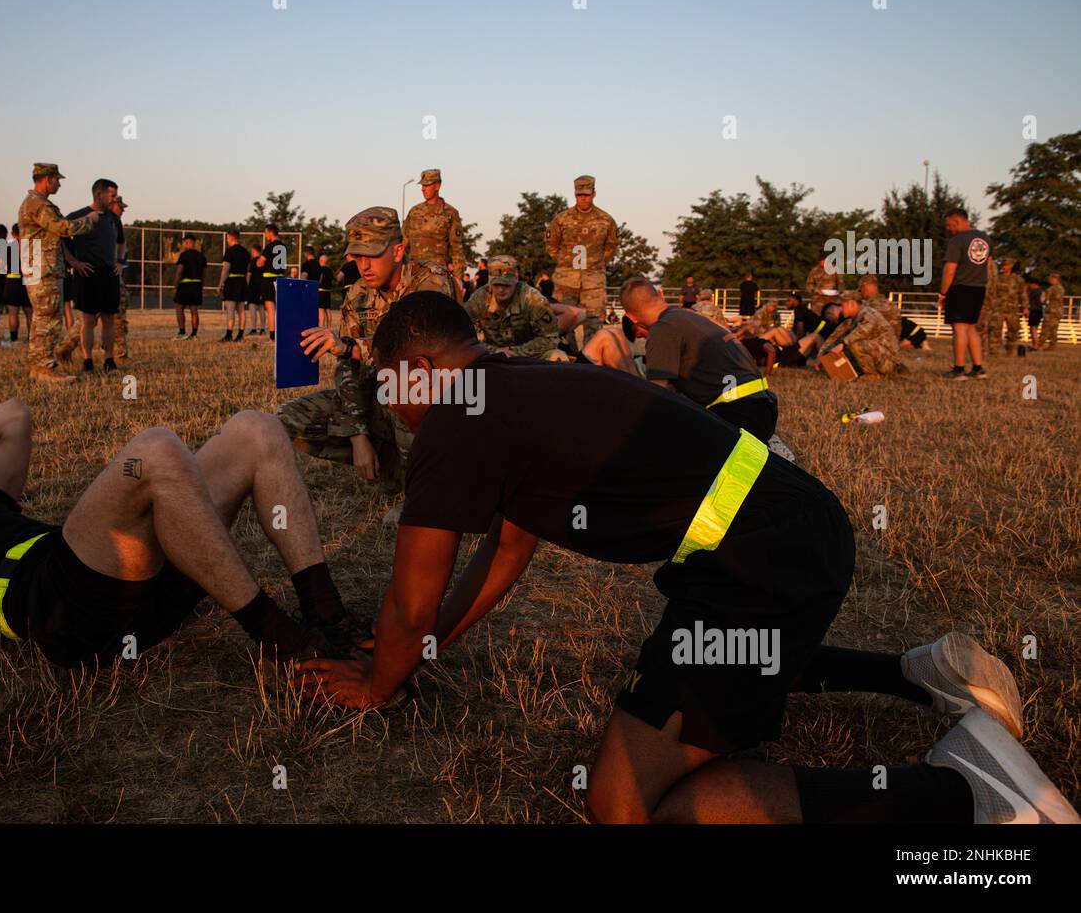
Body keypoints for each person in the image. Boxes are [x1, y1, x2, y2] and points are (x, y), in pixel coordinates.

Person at [296, 291, 1080, 826]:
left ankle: (964, 795)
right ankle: (918, 673)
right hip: (781, 532)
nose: (391, 408)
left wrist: (381, 681)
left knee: (627, 804)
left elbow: (408, 603)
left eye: (388, 384)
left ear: (423, 369)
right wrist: (428, 650)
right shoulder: (513, 381)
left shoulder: (456, 417)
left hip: (760, 556)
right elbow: (508, 548)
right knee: (722, 656)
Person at [0, 399, 368, 669]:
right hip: (58, 605)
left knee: (256, 427)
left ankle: (325, 612)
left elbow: (14, 415)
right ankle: (283, 640)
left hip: (134, 580)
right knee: (153, 451)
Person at [278, 207, 457, 509]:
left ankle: (423, 490)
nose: (363, 265)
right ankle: (392, 471)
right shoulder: (358, 294)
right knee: (291, 417)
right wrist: (357, 435)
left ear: (398, 250)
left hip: (436, 401)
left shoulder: (432, 281)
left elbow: (418, 350)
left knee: (401, 388)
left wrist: (351, 346)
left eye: (371, 255)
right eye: (357, 256)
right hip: (382, 399)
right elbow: (349, 369)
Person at [620, 276, 780, 443]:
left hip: (737, 414)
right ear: (661, 294)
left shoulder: (662, 328)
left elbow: (658, 395)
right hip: (763, 405)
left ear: (631, 317)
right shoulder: (691, 315)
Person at [16, 163, 100, 383]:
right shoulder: (39, 204)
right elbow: (62, 228)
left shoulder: (31, 203)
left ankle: (38, 365)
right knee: (50, 318)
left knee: (40, 318)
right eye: (57, 179)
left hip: (37, 265)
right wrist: (88, 222)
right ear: (47, 179)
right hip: (44, 267)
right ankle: (46, 369)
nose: (59, 184)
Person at [546, 175, 618, 347]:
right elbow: (551, 245)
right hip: (566, 280)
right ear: (574, 194)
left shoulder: (606, 220)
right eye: (579, 195)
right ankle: (568, 360)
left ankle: (590, 363)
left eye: (586, 194)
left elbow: (611, 247)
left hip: (593, 279)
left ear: (594, 194)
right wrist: (565, 264)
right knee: (564, 324)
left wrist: (595, 265)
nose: (583, 198)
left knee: (594, 324)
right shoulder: (562, 219)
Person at [62, 179, 121, 373]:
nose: (115, 199)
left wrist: (120, 261)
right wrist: (73, 262)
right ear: (99, 194)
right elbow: (60, 239)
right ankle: (87, 361)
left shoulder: (114, 218)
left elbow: (121, 242)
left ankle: (109, 360)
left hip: (108, 274)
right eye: (112, 195)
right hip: (87, 274)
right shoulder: (78, 216)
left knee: (109, 320)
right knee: (88, 321)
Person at [463, 255, 563, 359]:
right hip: (491, 357)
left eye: (506, 285)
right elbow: (463, 336)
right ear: (490, 281)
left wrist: (514, 352)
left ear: (516, 279)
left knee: (557, 356)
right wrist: (494, 351)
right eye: (496, 285)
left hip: (529, 357)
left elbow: (551, 338)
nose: (501, 290)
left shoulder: (532, 298)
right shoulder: (479, 298)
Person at [938, 208, 988, 380]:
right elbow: (987, 265)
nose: (948, 228)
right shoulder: (985, 238)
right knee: (971, 328)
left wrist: (943, 293)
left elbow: (950, 270)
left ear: (957, 221)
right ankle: (978, 368)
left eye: (949, 224)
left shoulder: (957, 240)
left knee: (959, 329)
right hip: (979, 287)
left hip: (960, 288)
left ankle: (959, 369)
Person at [817, 290, 904, 379]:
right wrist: (823, 354)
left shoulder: (868, 312)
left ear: (851, 304)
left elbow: (863, 330)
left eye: (842, 306)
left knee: (855, 344)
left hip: (888, 362)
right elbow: (835, 336)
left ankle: (872, 376)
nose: (841, 310)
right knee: (848, 343)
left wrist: (843, 344)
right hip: (881, 358)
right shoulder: (851, 320)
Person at [402, 168, 466, 286]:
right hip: (413, 276)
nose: (423, 189)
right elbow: (403, 244)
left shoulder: (450, 213)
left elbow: (457, 249)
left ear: (437, 186)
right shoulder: (414, 212)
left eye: (427, 185)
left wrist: (458, 279)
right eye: (422, 185)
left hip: (438, 277)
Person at [2, 222, 33, 348]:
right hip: (29, 281)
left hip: (13, 280)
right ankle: (31, 338)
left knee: (13, 313)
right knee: (30, 313)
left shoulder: (9, 247)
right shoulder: (31, 246)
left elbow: (2, 266)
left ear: (13, 234)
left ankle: (14, 338)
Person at [172, 234, 207, 340]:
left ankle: (182, 333)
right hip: (197, 284)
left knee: (179, 308)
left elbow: (179, 271)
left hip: (185, 284)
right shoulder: (201, 256)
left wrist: (175, 286)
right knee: (194, 309)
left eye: (184, 242)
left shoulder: (184, 255)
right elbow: (204, 273)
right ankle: (194, 334)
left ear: (187, 242)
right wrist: (202, 284)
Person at [109, 194, 131, 366]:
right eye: (120, 207)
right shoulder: (100, 220)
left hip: (114, 275)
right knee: (90, 318)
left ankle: (121, 353)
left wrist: (120, 261)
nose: (122, 210)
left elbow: (121, 244)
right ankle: (66, 346)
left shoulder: (116, 223)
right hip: (101, 274)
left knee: (119, 313)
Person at [219, 228, 250, 342]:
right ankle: (240, 335)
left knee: (231, 310)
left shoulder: (229, 251)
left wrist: (221, 283)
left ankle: (229, 334)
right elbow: (247, 270)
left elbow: (226, 269)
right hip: (242, 282)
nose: (227, 240)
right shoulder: (245, 252)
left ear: (231, 237)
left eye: (227, 237)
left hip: (232, 282)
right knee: (241, 310)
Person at [261, 223, 288, 340]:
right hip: (281, 278)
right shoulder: (283, 247)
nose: (266, 235)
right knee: (280, 308)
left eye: (266, 232)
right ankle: (283, 331)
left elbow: (260, 262)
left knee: (270, 307)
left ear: (271, 232)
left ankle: (273, 334)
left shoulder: (270, 246)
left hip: (269, 279)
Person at [857, 275, 900, 339]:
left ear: (864, 288)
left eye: (860, 290)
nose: (861, 293)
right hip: (893, 345)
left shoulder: (866, 307)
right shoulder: (893, 305)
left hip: (875, 346)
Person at [805, 248, 841, 315]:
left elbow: (841, 283)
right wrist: (816, 290)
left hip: (832, 300)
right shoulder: (814, 271)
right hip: (818, 301)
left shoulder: (835, 269)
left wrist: (839, 292)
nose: (822, 263)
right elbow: (809, 285)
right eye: (821, 261)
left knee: (831, 317)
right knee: (817, 319)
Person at [1039, 273, 1065, 350]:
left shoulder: (1051, 289)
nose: (1049, 280)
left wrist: (1042, 300)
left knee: (1045, 327)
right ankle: (1052, 345)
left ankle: (1039, 345)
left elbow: (1044, 300)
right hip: (1059, 311)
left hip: (1051, 311)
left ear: (1054, 279)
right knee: (1054, 329)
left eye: (1050, 279)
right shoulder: (1061, 288)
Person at [1024, 275, 1044, 349]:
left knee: (1033, 328)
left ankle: (1036, 345)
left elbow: (1028, 301)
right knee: (1034, 328)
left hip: (1034, 310)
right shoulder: (1041, 291)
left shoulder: (1034, 292)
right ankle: (1035, 344)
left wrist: (1027, 309)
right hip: (1039, 310)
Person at [316, 252, 335, 328]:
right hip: (328, 292)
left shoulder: (320, 269)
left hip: (321, 291)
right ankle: (329, 328)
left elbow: (319, 280)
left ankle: (321, 328)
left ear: (321, 260)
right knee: (328, 310)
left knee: (321, 310)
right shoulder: (330, 270)